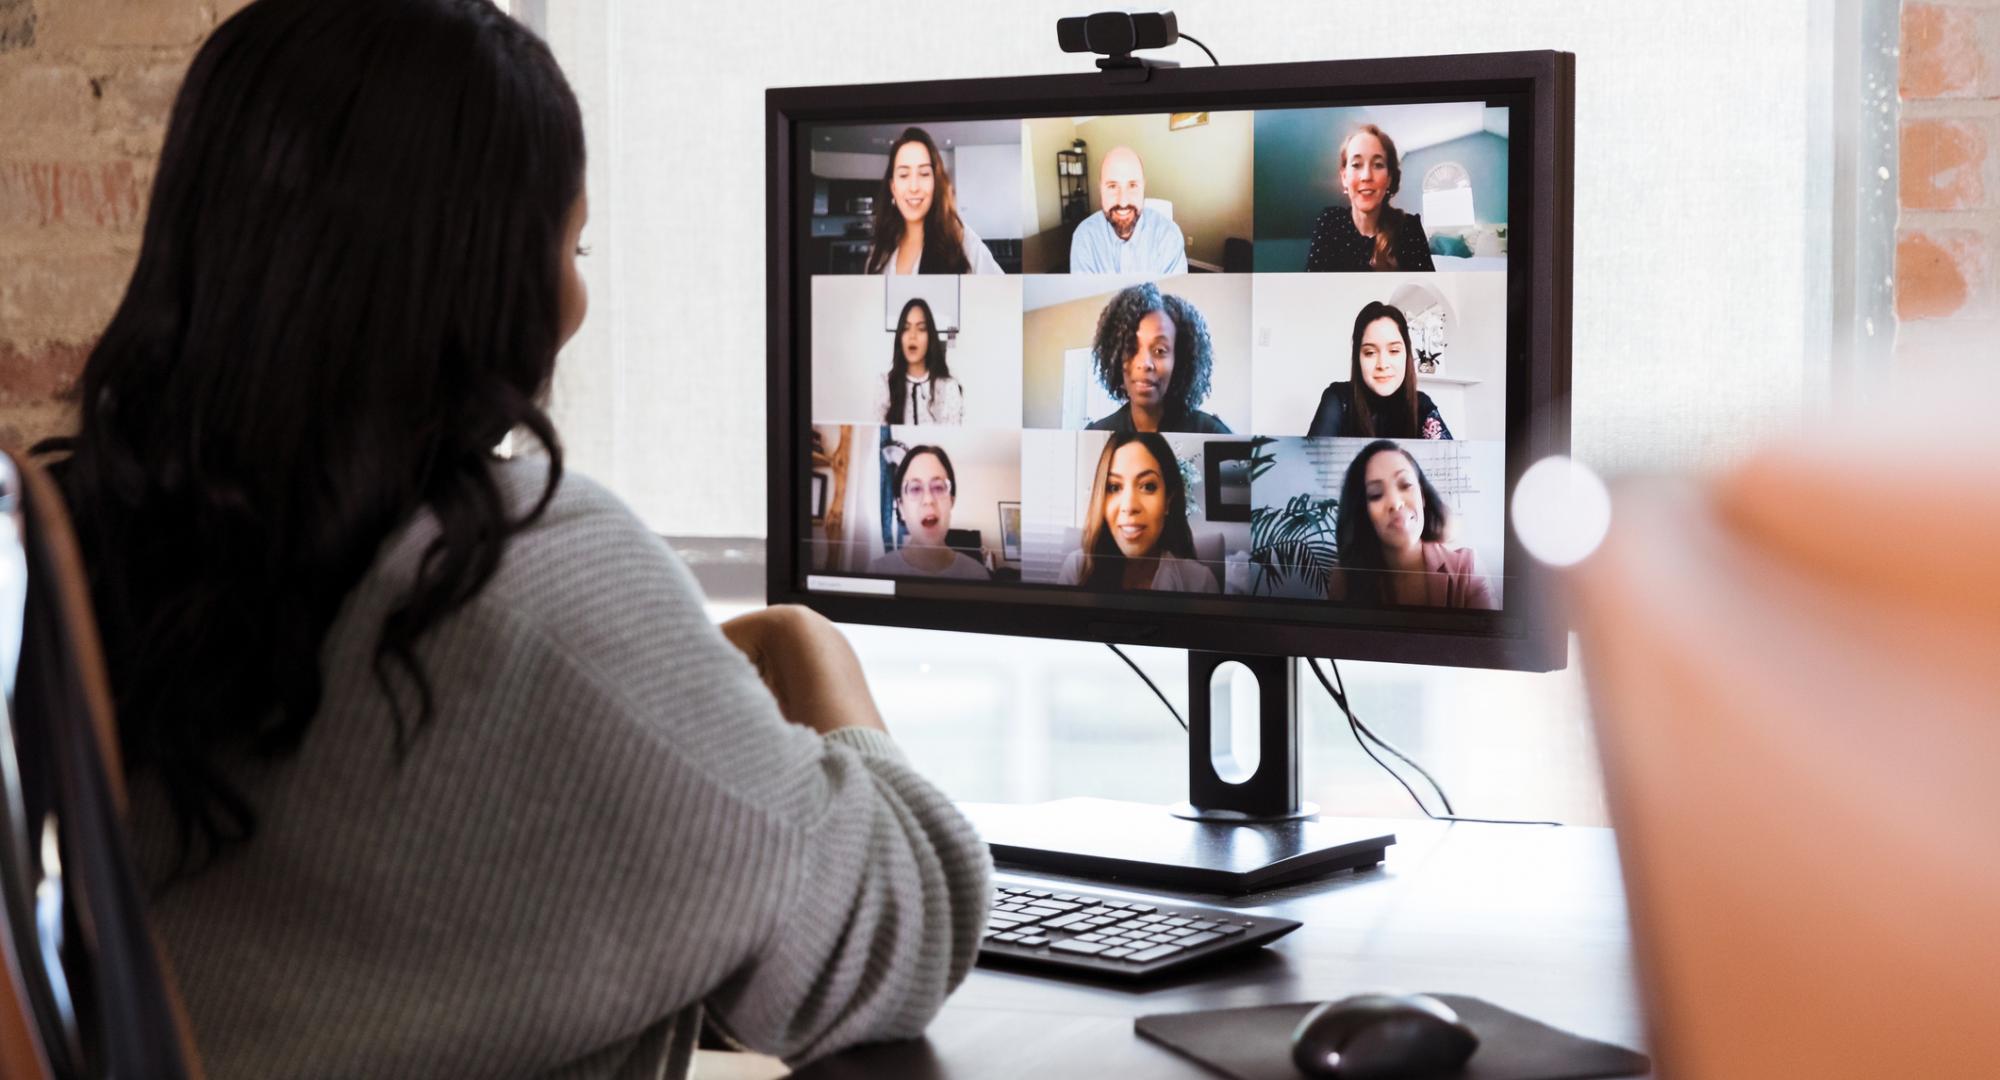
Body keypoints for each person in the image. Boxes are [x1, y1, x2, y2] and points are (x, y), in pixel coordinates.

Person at [33, 2, 990, 1077]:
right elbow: (901, 932)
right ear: (479, 271)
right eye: (569, 244)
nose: (576, 300)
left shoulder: (99, 545)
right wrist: (814, 652)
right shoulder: (520, 572)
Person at [1328, 441, 1496, 609]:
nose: (1395, 502)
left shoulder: (1467, 569)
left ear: (1422, 496)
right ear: (1362, 512)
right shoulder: (1344, 578)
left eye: (1405, 485)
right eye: (1376, 494)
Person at [1057, 432, 1219, 593]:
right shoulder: (1078, 570)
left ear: (1167, 501)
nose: (1129, 506)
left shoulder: (1200, 582)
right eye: (1114, 487)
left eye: (1148, 486)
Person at [1085, 282, 1233, 434]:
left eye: (1159, 350)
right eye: (1131, 348)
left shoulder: (1212, 433)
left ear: (1179, 360)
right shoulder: (1096, 433)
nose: (1144, 364)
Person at [864, 126, 1003, 275]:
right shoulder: (880, 250)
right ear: (893, 187)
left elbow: (1004, 293)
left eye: (924, 174)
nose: (914, 187)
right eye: (904, 175)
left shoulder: (961, 241)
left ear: (935, 183)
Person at [1306, 301, 1454, 439]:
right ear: (1357, 358)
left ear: (1407, 355)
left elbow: (1452, 463)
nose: (1382, 364)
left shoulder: (1421, 405)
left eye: (1394, 351)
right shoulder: (1338, 399)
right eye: (1370, 353)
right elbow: (1309, 461)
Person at [1305, 124, 1436, 273]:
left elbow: (1424, 293)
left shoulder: (1409, 228)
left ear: (1389, 179)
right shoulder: (1330, 221)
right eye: (1356, 164)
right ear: (1344, 177)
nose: (1366, 176)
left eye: (1378, 165)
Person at [869, 445, 990, 579]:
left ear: (951, 501)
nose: (928, 500)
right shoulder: (875, 572)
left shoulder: (978, 575)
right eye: (915, 489)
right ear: (901, 507)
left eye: (938, 487)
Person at [1068, 146, 1188, 275]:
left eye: (1132, 185)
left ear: (1143, 187)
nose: (1123, 201)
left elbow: (1172, 294)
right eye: (1112, 186)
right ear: (1100, 189)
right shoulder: (1084, 238)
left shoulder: (1169, 236)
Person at [872, 297, 964, 425]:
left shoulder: (948, 387)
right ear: (900, 336)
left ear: (930, 337)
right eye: (906, 328)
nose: (912, 335)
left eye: (921, 329)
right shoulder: (885, 384)